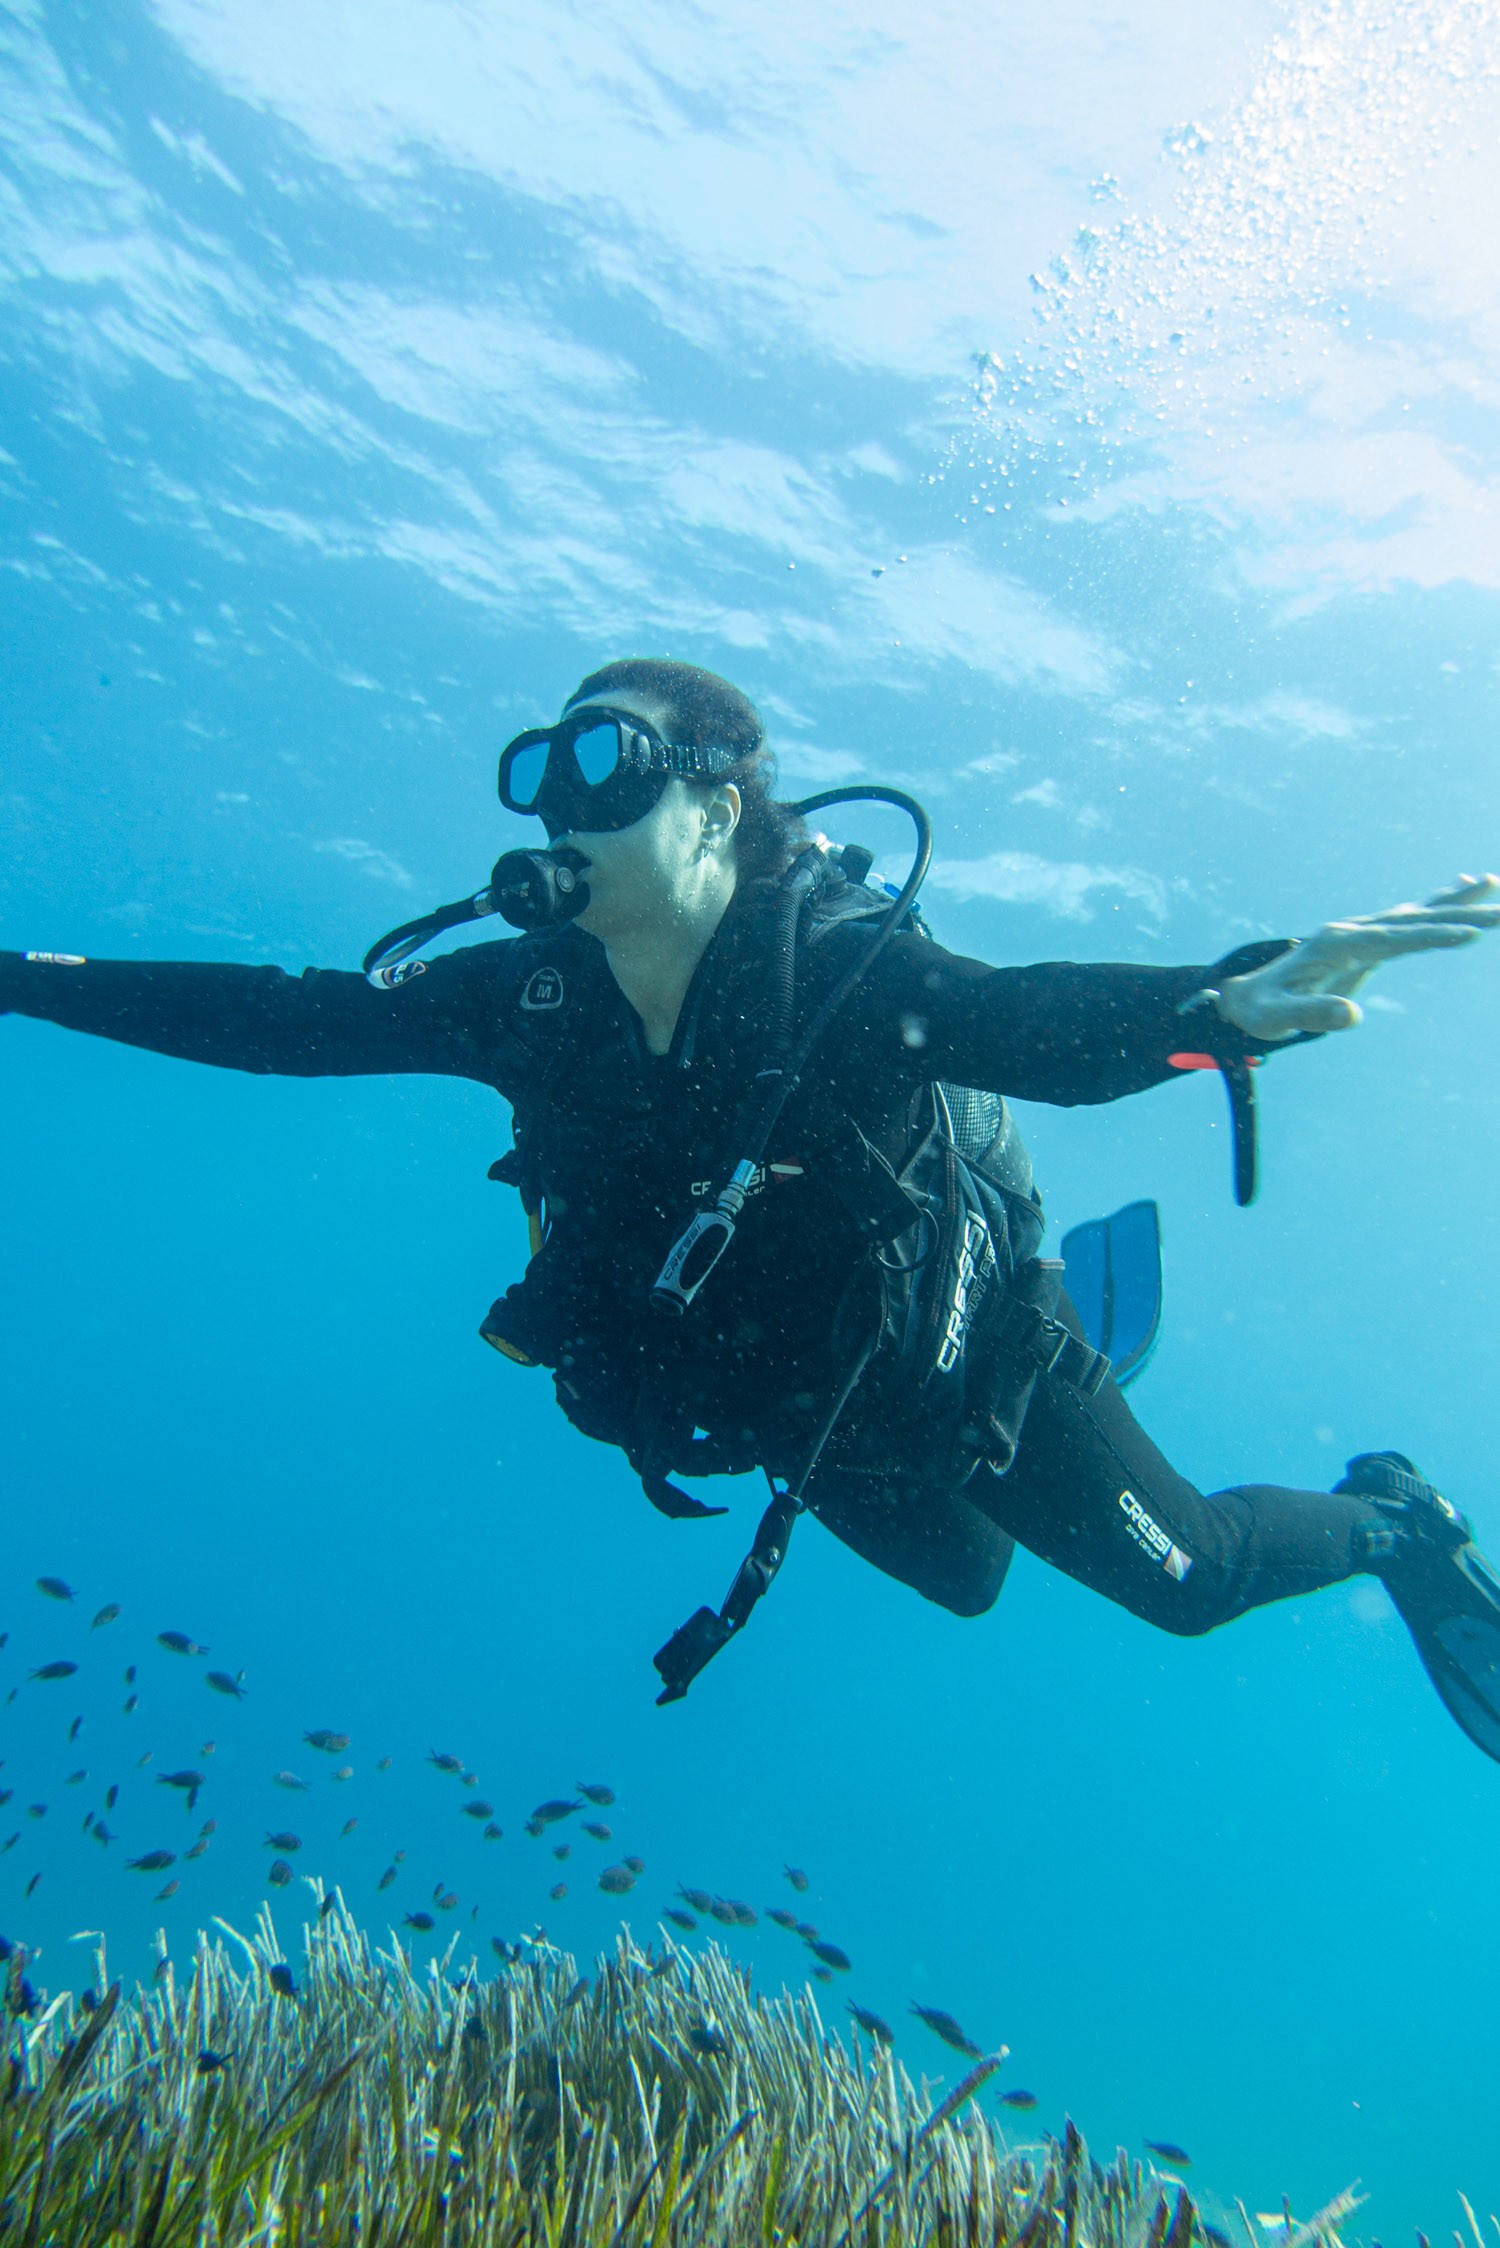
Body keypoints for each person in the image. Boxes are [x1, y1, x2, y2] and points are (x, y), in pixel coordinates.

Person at [6, 658, 1500, 1750]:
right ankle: (1057, 1423)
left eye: (604, 760)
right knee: (969, 1581)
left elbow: (1024, 1024)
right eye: (540, 767)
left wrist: (1217, 1007)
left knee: (1188, 1585)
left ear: (719, 804)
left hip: (968, 1356)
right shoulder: (526, 998)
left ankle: (1400, 1520)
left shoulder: (834, 970)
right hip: (812, 1404)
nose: (559, 807)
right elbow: (293, 1019)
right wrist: (25, 981)